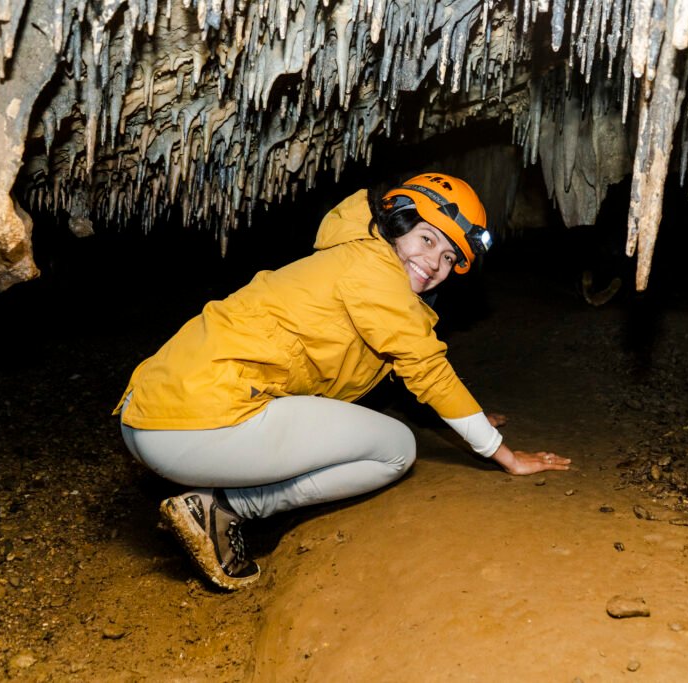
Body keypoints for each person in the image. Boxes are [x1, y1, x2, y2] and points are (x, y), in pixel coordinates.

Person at [113, 172, 570, 590]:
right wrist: (504, 455)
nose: (435, 262)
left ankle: (211, 494)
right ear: (397, 224)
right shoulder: (373, 271)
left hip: (154, 416)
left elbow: (398, 367)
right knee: (396, 449)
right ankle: (225, 508)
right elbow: (428, 370)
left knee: (368, 424)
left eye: (450, 257)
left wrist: (464, 417)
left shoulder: (356, 259)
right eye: (427, 239)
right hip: (191, 425)